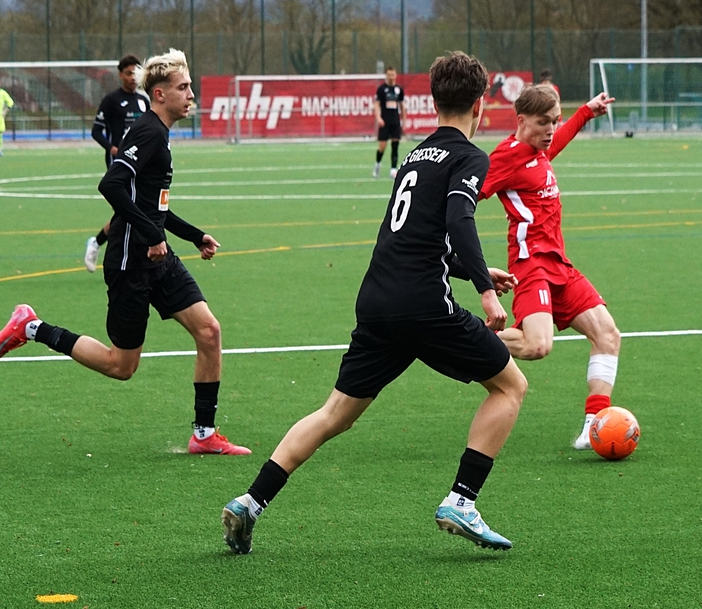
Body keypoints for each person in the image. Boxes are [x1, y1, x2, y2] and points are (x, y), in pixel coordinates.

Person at [222, 51, 529, 555]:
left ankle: (250, 502)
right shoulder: (470, 156)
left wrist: (469, 268)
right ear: (480, 104)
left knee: (335, 413)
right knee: (510, 386)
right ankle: (462, 500)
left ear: (433, 101)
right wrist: (485, 290)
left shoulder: (415, 155)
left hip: (378, 299)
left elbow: (412, 235)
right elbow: (459, 220)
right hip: (423, 305)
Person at [0, 49, 251, 457]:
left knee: (209, 332)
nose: (191, 95)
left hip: (158, 259)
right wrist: (151, 234)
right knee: (121, 366)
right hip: (130, 263)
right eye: (183, 87)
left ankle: (203, 434)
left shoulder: (159, 133)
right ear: (160, 94)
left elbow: (153, 207)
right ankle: (32, 327)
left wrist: (193, 235)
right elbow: (110, 185)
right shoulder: (149, 132)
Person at [479, 84, 618, 451]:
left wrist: (585, 112)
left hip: (560, 264)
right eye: (544, 122)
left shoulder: (539, 151)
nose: (551, 130)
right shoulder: (507, 156)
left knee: (607, 334)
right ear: (521, 120)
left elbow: (559, 139)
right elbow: (466, 196)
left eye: (555, 121)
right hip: (530, 266)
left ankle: (594, 425)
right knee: (537, 346)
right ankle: (461, 340)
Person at [85, 55, 152, 273]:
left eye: (136, 73)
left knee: (134, 209)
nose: (133, 78)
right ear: (120, 75)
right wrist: (112, 149)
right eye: (129, 73)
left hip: (142, 163)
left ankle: (100, 244)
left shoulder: (144, 101)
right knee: (127, 209)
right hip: (119, 162)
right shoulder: (111, 100)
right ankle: (104, 248)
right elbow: (96, 131)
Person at [372, 67, 406, 179]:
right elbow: (377, 105)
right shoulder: (382, 89)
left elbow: (402, 106)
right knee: (382, 147)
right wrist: (378, 118)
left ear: (396, 75)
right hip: (385, 122)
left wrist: (404, 122)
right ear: (386, 76)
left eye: (393, 74)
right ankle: (377, 164)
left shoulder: (399, 89)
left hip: (395, 121)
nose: (391, 77)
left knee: (395, 145)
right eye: (389, 75)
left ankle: (393, 169)